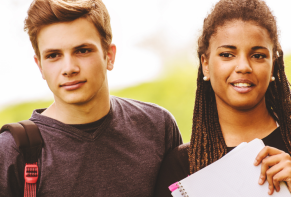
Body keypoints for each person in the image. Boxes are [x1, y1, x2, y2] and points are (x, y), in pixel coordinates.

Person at [0, 0, 182, 196]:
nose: (69, 68)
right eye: (53, 55)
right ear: (40, 66)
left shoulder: (157, 126)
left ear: (109, 56)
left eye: (82, 50)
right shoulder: (12, 151)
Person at [154, 0, 291, 196]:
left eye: (257, 55)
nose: (243, 66)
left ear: (273, 63)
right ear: (205, 64)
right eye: (227, 54)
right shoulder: (182, 168)